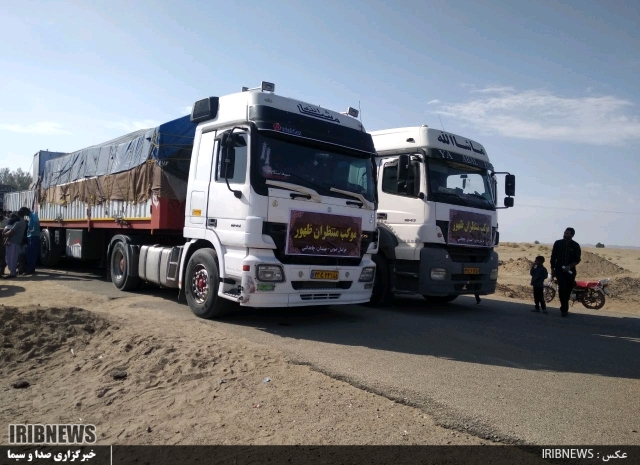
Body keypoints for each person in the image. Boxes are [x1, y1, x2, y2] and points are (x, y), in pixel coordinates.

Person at [550, 227, 581, 317]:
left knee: (568, 290)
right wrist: (552, 270)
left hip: (570, 271)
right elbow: (553, 257)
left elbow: (578, 259)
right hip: (559, 270)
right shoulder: (558, 243)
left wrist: (569, 266)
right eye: (565, 233)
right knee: (562, 288)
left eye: (567, 233)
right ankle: (564, 309)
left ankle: (564, 305)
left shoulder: (575, 245)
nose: (565, 235)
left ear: (571, 235)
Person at [2, 212, 26, 279]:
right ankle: (12, 272)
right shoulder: (23, 223)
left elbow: (10, 232)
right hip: (15, 243)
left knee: (11, 259)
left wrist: (4, 233)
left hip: (13, 243)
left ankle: (12, 273)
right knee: (12, 258)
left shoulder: (17, 224)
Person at [19, 207, 40, 275]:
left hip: (33, 236)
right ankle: (31, 268)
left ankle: (30, 269)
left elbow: (36, 224)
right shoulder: (31, 216)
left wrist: (31, 230)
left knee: (31, 253)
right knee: (30, 253)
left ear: (26, 212)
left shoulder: (33, 215)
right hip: (31, 236)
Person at [0, 211, 8, 276]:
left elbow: (9, 229)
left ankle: (1, 271)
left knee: (2, 256)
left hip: (3, 241)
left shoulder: (7, 220)